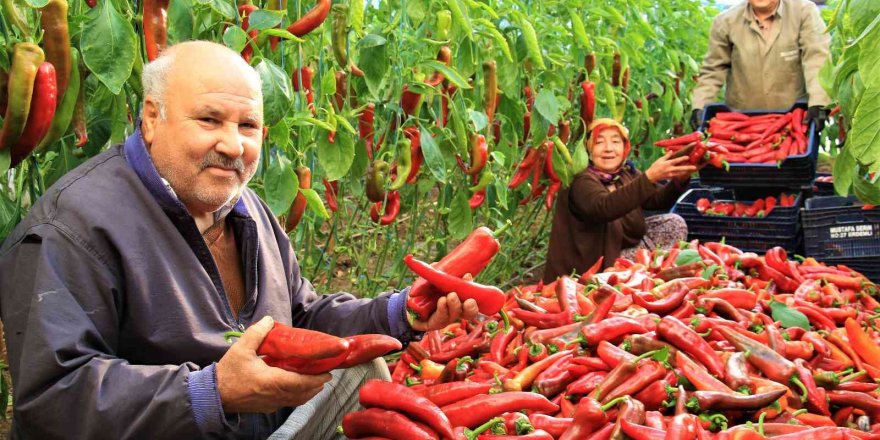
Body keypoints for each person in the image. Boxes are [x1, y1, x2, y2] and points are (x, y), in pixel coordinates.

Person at [0, 41, 477, 440]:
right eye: (209, 120)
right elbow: (54, 398)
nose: (233, 145)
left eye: (248, 126)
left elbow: (303, 317)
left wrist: (402, 312)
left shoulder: (247, 210)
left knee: (362, 377)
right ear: (151, 118)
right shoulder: (75, 228)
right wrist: (211, 391)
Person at [543, 119, 697, 283]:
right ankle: (645, 279)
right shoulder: (581, 181)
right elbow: (604, 207)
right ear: (588, 149)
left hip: (621, 246)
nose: (609, 148)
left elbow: (657, 200)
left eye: (615, 141)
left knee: (673, 223)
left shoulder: (624, 173)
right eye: (599, 142)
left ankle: (652, 275)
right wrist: (649, 177)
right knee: (641, 266)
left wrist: (679, 180)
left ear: (624, 148)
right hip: (594, 264)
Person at [689, 0, 832, 130]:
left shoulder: (803, 12)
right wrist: (700, 106)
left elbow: (817, 58)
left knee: (794, 156)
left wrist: (818, 103)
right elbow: (713, 69)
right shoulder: (726, 21)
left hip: (794, 123)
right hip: (743, 124)